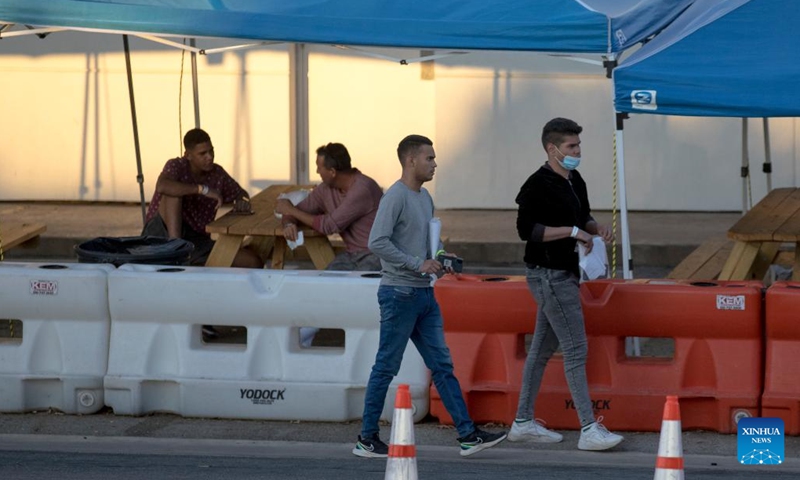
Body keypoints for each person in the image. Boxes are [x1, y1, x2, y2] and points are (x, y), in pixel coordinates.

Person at [353, 134, 507, 459]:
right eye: (430, 158)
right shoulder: (394, 197)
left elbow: (425, 244)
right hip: (399, 293)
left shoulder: (424, 198)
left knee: (442, 365)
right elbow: (376, 242)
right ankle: (366, 438)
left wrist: (439, 257)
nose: (435, 164)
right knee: (386, 367)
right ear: (411, 160)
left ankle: (467, 436)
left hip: (423, 294)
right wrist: (416, 263)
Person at [510, 117, 623, 451]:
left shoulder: (574, 179)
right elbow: (527, 230)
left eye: (578, 146)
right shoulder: (536, 185)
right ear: (552, 149)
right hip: (548, 274)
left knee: (542, 349)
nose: (577, 152)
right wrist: (574, 233)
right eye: (571, 147)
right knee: (576, 348)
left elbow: (582, 216)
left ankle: (522, 421)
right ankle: (589, 428)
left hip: (565, 272)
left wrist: (595, 228)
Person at [142, 128, 263, 269]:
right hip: (161, 236)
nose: (210, 156)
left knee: (253, 261)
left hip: (197, 241)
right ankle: (177, 251)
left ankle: (185, 257)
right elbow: (162, 186)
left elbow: (240, 193)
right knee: (173, 193)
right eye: (202, 153)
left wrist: (242, 201)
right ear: (188, 155)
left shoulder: (217, 173)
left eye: (211, 151)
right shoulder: (176, 165)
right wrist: (202, 190)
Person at [275, 142, 383, 271]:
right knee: (324, 283)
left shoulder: (362, 189)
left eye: (319, 167)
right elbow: (296, 211)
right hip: (351, 254)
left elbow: (329, 225)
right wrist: (289, 224)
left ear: (332, 172)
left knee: (355, 287)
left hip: (377, 255)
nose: (317, 171)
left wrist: (290, 209)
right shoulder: (326, 189)